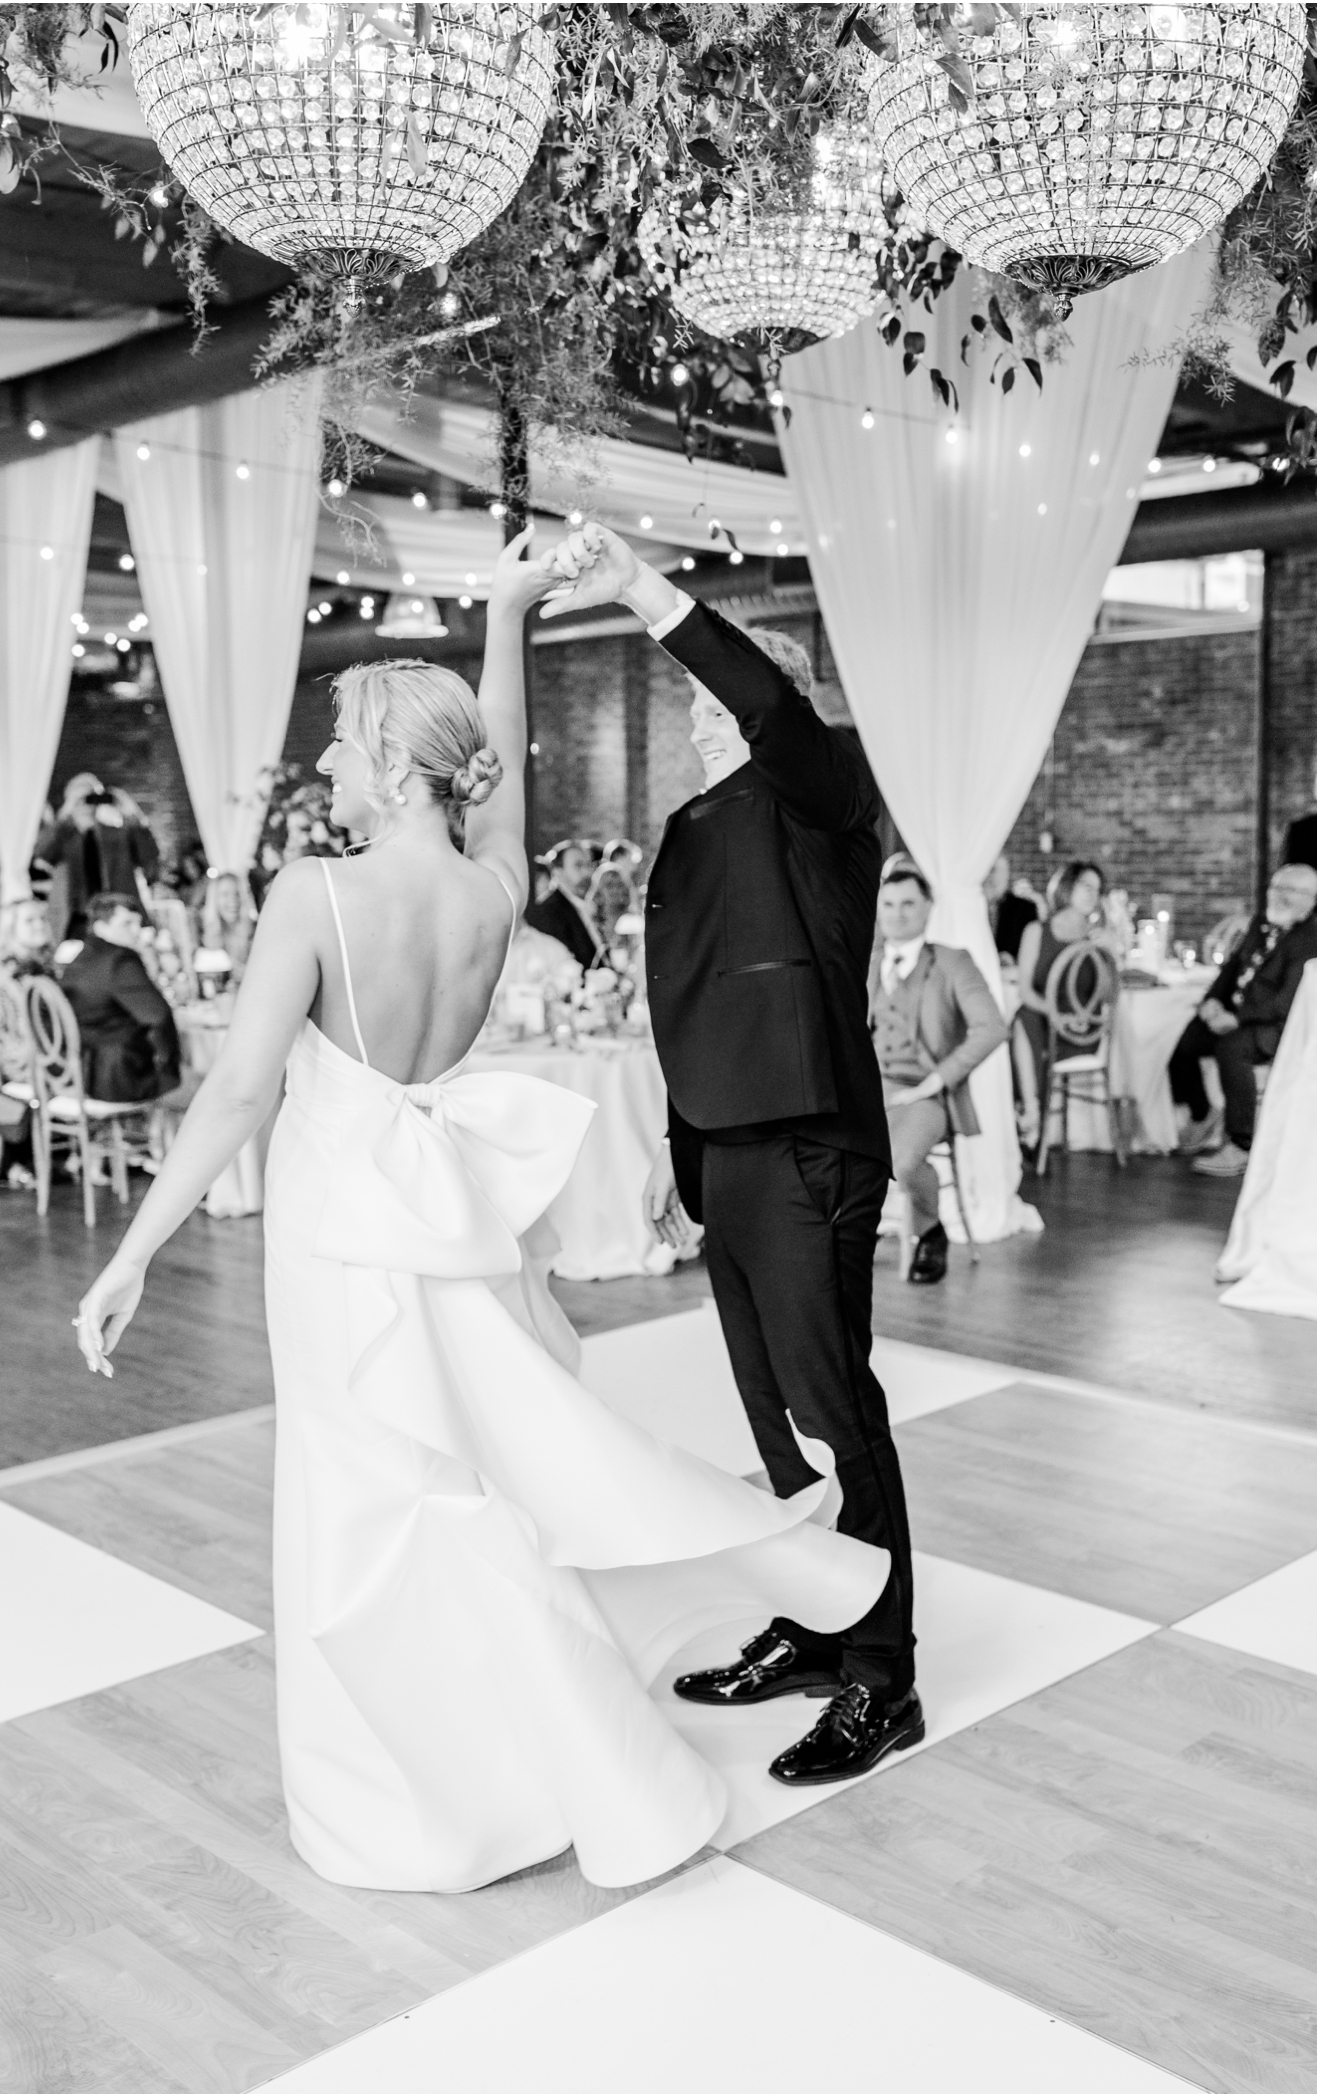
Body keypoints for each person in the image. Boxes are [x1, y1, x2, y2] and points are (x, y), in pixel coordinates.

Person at [73, 525, 888, 1896]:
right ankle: (563, 1767)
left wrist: (135, 1254)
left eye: (338, 746)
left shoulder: (314, 895)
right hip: (449, 1222)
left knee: (370, 1508)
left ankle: (439, 1799)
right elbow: (496, 760)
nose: (323, 766)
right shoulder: (487, 890)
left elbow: (231, 1102)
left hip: (346, 1234)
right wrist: (505, 607)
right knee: (474, 1492)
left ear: (393, 764)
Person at [538, 521, 920, 1788]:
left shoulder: (824, 786)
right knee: (773, 1426)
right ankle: (817, 1624)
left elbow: (756, 696)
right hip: (722, 1147)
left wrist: (643, 588)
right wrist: (669, 1137)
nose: (706, 716)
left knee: (832, 1414)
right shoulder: (700, 818)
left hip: (810, 1147)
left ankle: (883, 1678)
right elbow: (691, 995)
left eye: (721, 696)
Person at [870, 859, 1008, 1284]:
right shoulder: (865, 962)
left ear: (929, 907)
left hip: (926, 1094)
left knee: (904, 1160)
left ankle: (931, 1230)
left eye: (909, 903)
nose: (898, 913)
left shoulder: (952, 962)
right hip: (870, 1089)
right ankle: (848, 1232)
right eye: (889, 904)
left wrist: (938, 1078)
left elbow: (992, 1027)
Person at [1168, 862, 1318, 1177]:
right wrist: (1211, 1000)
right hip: (1238, 1014)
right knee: (1185, 1042)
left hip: (1277, 1026)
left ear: (1311, 898)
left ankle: (1241, 1144)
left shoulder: (1309, 939)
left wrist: (1236, 1019)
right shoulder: (1260, 923)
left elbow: (1286, 1001)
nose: (1276, 895)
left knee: (1232, 1048)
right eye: (1275, 887)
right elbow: (1232, 968)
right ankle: (1202, 1113)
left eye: (1287, 890)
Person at [1013, 859, 1104, 1151]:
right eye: (1085, 886)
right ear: (1066, 887)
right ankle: (1032, 1113)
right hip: (1044, 1018)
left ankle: (1030, 1120)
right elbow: (1026, 991)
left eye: (1097, 890)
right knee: (1023, 1018)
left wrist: (1111, 949)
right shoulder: (1036, 931)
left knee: (1021, 1027)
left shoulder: (1097, 938)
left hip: (1082, 1029)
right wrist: (1055, 1014)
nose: (1092, 894)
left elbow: (1108, 995)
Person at [57, 893, 182, 1103]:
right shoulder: (119, 960)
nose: (136, 932)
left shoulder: (79, 959)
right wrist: (171, 1069)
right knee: (209, 1088)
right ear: (100, 926)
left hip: (81, 1076)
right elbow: (159, 1017)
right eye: (127, 924)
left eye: (138, 924)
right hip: (122, 1080)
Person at [35, 776, 160, 939]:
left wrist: (131, 812)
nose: (87, 804)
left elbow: (149, 856)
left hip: (115, 916)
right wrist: (67, 810)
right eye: (81, 799)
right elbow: (42, 855)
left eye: (92, 797)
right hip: (73, 918)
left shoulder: (117, 834)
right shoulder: (62, 836)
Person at [526, 837, 604, 969]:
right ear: (557, 871)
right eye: (578, 866)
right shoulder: (550, 912)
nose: (587, 873)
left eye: (589, 865)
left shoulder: (586, 906)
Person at [984, 853, 1041, 965]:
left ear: (1008, 875)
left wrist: (1011, 958)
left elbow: (1033, 953)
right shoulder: (965, 909)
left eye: (1001, 871)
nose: (994, 878)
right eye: (991, 870)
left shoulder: (1025, 909)